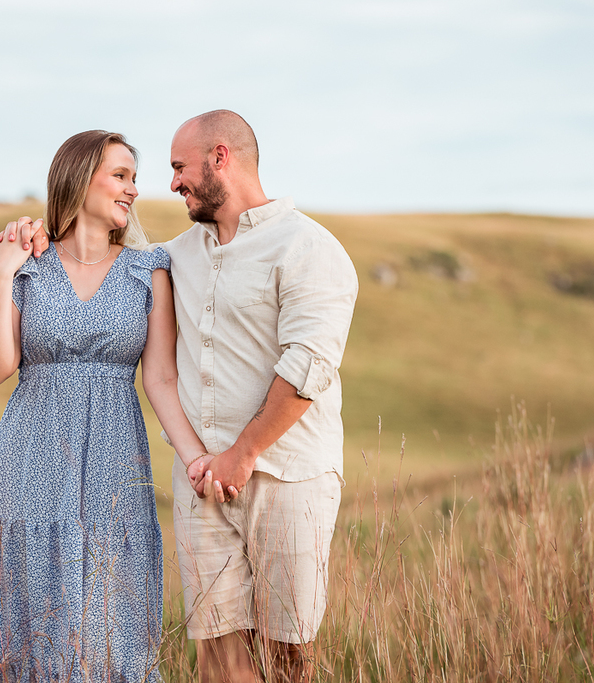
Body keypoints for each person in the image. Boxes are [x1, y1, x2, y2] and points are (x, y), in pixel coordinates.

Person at [18, 110, 358, 683]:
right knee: (218, 651)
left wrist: (242, 454)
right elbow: (97, 246)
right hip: (202, 485)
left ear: (220, 158)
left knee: (288, 650)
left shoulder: (308, 248)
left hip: (288, 476)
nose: (172, 183)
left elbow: (309, 367)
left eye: (180, 168)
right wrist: (34, 235)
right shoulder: (176, 255)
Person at [0, 130, 213, 683]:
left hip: (114, 470)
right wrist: (1, 273)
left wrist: (195, 458)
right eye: (121, 176)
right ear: (79, 177)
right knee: (18, 629)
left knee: (106, 635)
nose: (133, 190)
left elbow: (161, 378)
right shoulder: (29, 266)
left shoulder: (149, 270)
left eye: (135, 179)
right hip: (28, 468)